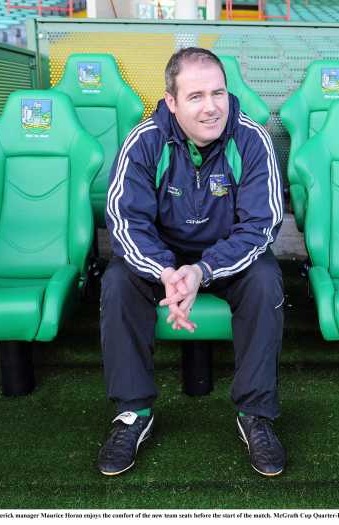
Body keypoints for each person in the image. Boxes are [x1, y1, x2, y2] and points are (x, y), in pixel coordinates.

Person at [96, 47, 285, 477]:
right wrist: (167, 272)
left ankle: (256, 414)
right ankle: (132, 413)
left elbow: (262, 225)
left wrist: (203, 271)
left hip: (226, 258)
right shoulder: (144, 141)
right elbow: (125, 222)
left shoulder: (252, 140)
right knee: (119, 280)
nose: (211, 107)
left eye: (218, 93)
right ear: (172, 102)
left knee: (265, 279)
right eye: (196, 96)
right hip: (163, 261)